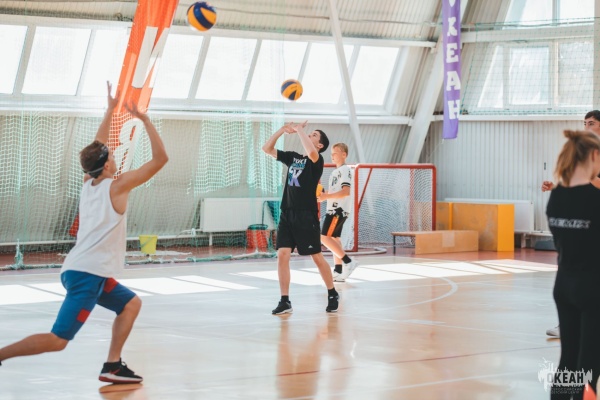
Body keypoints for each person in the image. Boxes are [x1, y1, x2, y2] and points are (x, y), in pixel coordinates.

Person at [0, 82, 169, 384]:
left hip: (84, 270)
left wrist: (110, 110)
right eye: (111, 156)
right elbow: (160, 160)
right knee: (58, 340)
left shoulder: (88, 183)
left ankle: (112, 365)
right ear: (106, 166)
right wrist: (144, 119)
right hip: (87, 275)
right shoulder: (117, 186)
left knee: (130, 304)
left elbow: (97, 144)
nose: (114, 156)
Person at [262, 121, 340, 314]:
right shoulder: (293, 158)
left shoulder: (317, 160)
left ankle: (332, 293)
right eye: (310, 133)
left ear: (320, 144)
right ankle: (285, 301)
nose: (310, 135)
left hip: (306, 216)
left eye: (314, 135)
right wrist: (282, 130)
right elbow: (267, 148)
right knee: (282, 255)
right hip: (287, 213)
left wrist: (299, 130)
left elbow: (311, 152)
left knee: (316, 257)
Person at [546, 130, 600, 399]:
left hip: (564, 286)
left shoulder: (556, 196)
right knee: (589, 365)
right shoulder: (595, 199)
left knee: (568, 360)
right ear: (594, 155)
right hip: (593, 289)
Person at [542, 111, 600, 338]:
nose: (587, 126)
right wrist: (557, 187)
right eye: (585, 123)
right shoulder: (567, 193)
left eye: (591, 123)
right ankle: (565, 324)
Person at [317, 143, 358, 282]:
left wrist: (327, 196)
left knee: (324, 238)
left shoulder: (345, 170)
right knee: (335, 239)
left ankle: (348, 262)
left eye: (335, 153)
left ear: (344, 155)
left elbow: (345, 192)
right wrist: (324, 195)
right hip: (334, 208)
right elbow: (336, 192)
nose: (332, 155)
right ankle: (338, 270)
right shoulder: (336, 172)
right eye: (331, 153)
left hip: (338, 210)